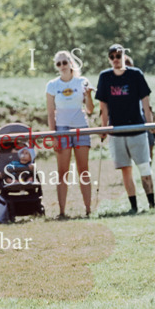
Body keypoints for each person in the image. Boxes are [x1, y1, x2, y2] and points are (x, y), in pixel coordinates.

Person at [96, 44, 155, 214]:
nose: (115, 59)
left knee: (145, 168)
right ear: (109, 59)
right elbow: (103, 105)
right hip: (117, 131)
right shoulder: (105, 77)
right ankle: (133, 206)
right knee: (125, 169)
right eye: (112, 56)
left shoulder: (135, 74)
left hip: (136, 128)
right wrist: (104, 126)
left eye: (118, 55)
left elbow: (145, 99)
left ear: (124, 56)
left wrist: (150, 123)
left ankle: (152, 204)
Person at [46, 50, 94, 218]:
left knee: (83, 170)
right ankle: (62, 211)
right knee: (62, 172)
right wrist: (54, 136)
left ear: (71, 63)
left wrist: (88, 95)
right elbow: (50, 113)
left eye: (64, 62)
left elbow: (89, 109)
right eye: (58, 64)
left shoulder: (82, 82)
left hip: (81, 127)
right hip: (62, 129)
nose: (62, 66)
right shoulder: (52, 85)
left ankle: (88, 209)